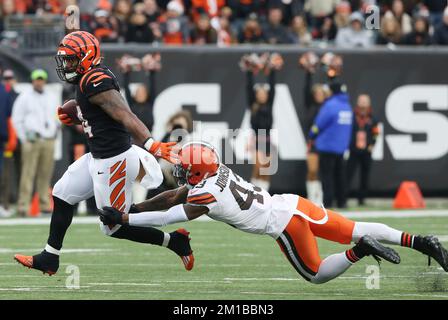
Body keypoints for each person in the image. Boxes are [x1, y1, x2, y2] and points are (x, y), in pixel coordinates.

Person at [99, 142, 448, 284]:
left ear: (198, 172)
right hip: (294, 203)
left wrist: (125, 219)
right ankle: (419, 241)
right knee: (356, 225)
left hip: (283, 224)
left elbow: (169, 216)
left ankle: (361, 250)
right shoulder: (214, 172)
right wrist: (133, 208)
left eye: (186, 169)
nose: (181, 173)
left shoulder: (204, 194)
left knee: (317, 275)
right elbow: (172, 196)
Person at [14, 31, 193, 275]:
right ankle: (50, 257)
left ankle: (175, 241)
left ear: (86, 57)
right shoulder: (88, 78)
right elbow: (103, 113)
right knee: (62, 193)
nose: (66, 65)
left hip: (114, 160)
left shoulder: (93, 79)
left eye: (70, 59)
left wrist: (152, 144)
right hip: (98, 157)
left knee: (114, 226)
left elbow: (124, 114)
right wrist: (80, 115)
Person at [11, 69, 59, 217]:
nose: (39, 81)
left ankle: (44, 206)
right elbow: (16, 119)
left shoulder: (51, 97)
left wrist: (55, 130)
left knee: (45, 173)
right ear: (32, 81)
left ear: (44, 81)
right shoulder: (24, 97)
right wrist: (23, 138)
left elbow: (58, 116)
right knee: (28, 173)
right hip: (32, 139)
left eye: (41, 79)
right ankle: (23, 206)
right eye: (37, 79)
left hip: (48, 139)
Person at [309, 55, 352, 208]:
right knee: (340, 175)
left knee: (327, 176)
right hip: (341, 147)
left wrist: (312, 135)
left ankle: (328, 201)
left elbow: (318, 125)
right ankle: (343, 201)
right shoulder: (347, 106)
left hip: (327, 147)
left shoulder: (330, 105)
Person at [243, 53, 283, 192]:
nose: (262, 95)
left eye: (263, 93)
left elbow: (272, 86)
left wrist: (271, 70)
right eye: (259, 93)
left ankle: (264, 194)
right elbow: (249, 87)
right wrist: (249, 71)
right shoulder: (253, 104)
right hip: (257, 139)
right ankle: (253, 192)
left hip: (267, 139)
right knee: (258, 168)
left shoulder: (269, 104)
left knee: (267, 170)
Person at [298, 52, 328, 205]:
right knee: (312, 170)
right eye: (316, 93)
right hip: (313, 142)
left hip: (327, 142)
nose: (318, 95)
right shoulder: (311, 106)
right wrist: (309, 74)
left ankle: (320, 198)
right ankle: (313, 200)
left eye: (320, 93)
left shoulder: (327, 106)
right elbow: (306, 90)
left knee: (323, 172)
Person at [346, 94, 379, 206]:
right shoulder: (351, 116)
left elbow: (376, 133)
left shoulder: (372, 118)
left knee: (365, 175)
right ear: (357, 103)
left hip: (366, 151)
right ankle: (344, 197)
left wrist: (372, 144)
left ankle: (362, 199)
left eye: (365, 101)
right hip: (353, 150)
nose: (363, 103)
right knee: (348, 174)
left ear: (369, 103)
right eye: (361, 101)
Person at [0, 69, 18, 217]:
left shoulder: (5, 92)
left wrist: (8, 138)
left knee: (3, 174)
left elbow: (9, 118)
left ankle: (3, 204)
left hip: (2, 139)